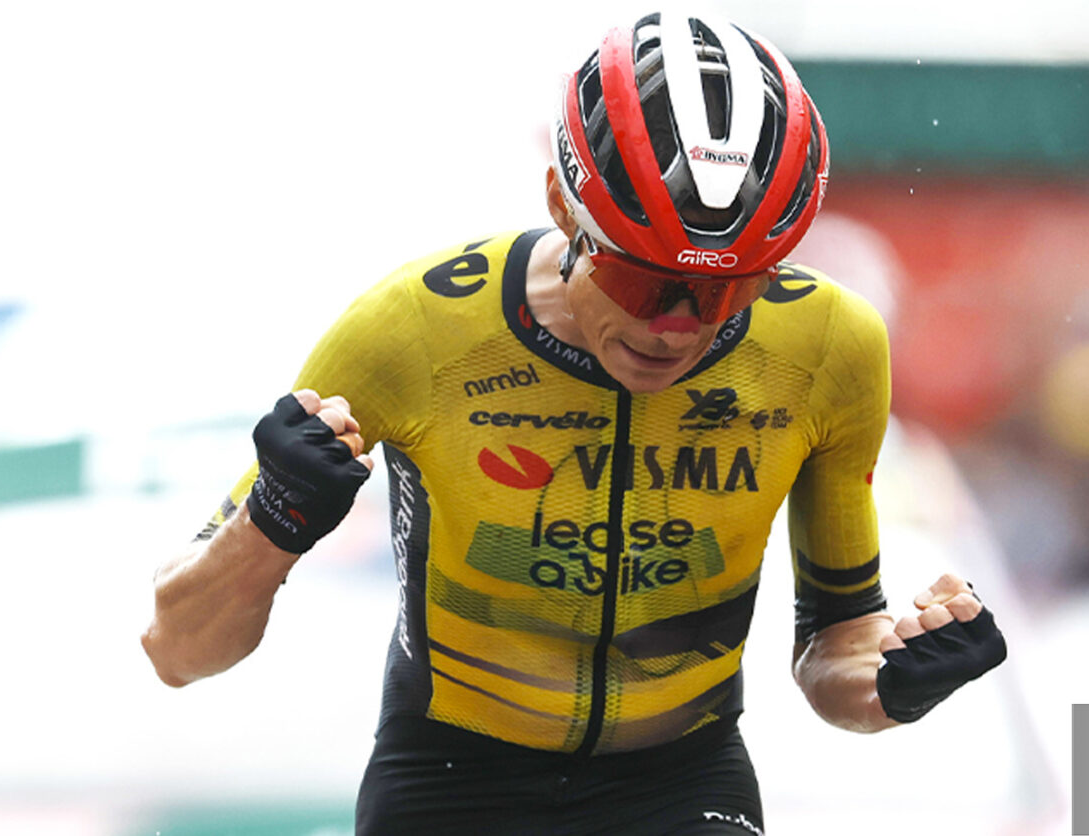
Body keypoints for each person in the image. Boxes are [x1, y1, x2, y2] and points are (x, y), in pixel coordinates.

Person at [141, 11, 1007, 835]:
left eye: (727, 290)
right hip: (453, 777)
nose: (676, 326)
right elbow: (177, 651)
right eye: (642, 280)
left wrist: (895, 684)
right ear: (563, 204)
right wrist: (273, 523)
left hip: (683, 781)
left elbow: (833, 653)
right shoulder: (412, 329)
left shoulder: (830, 347)